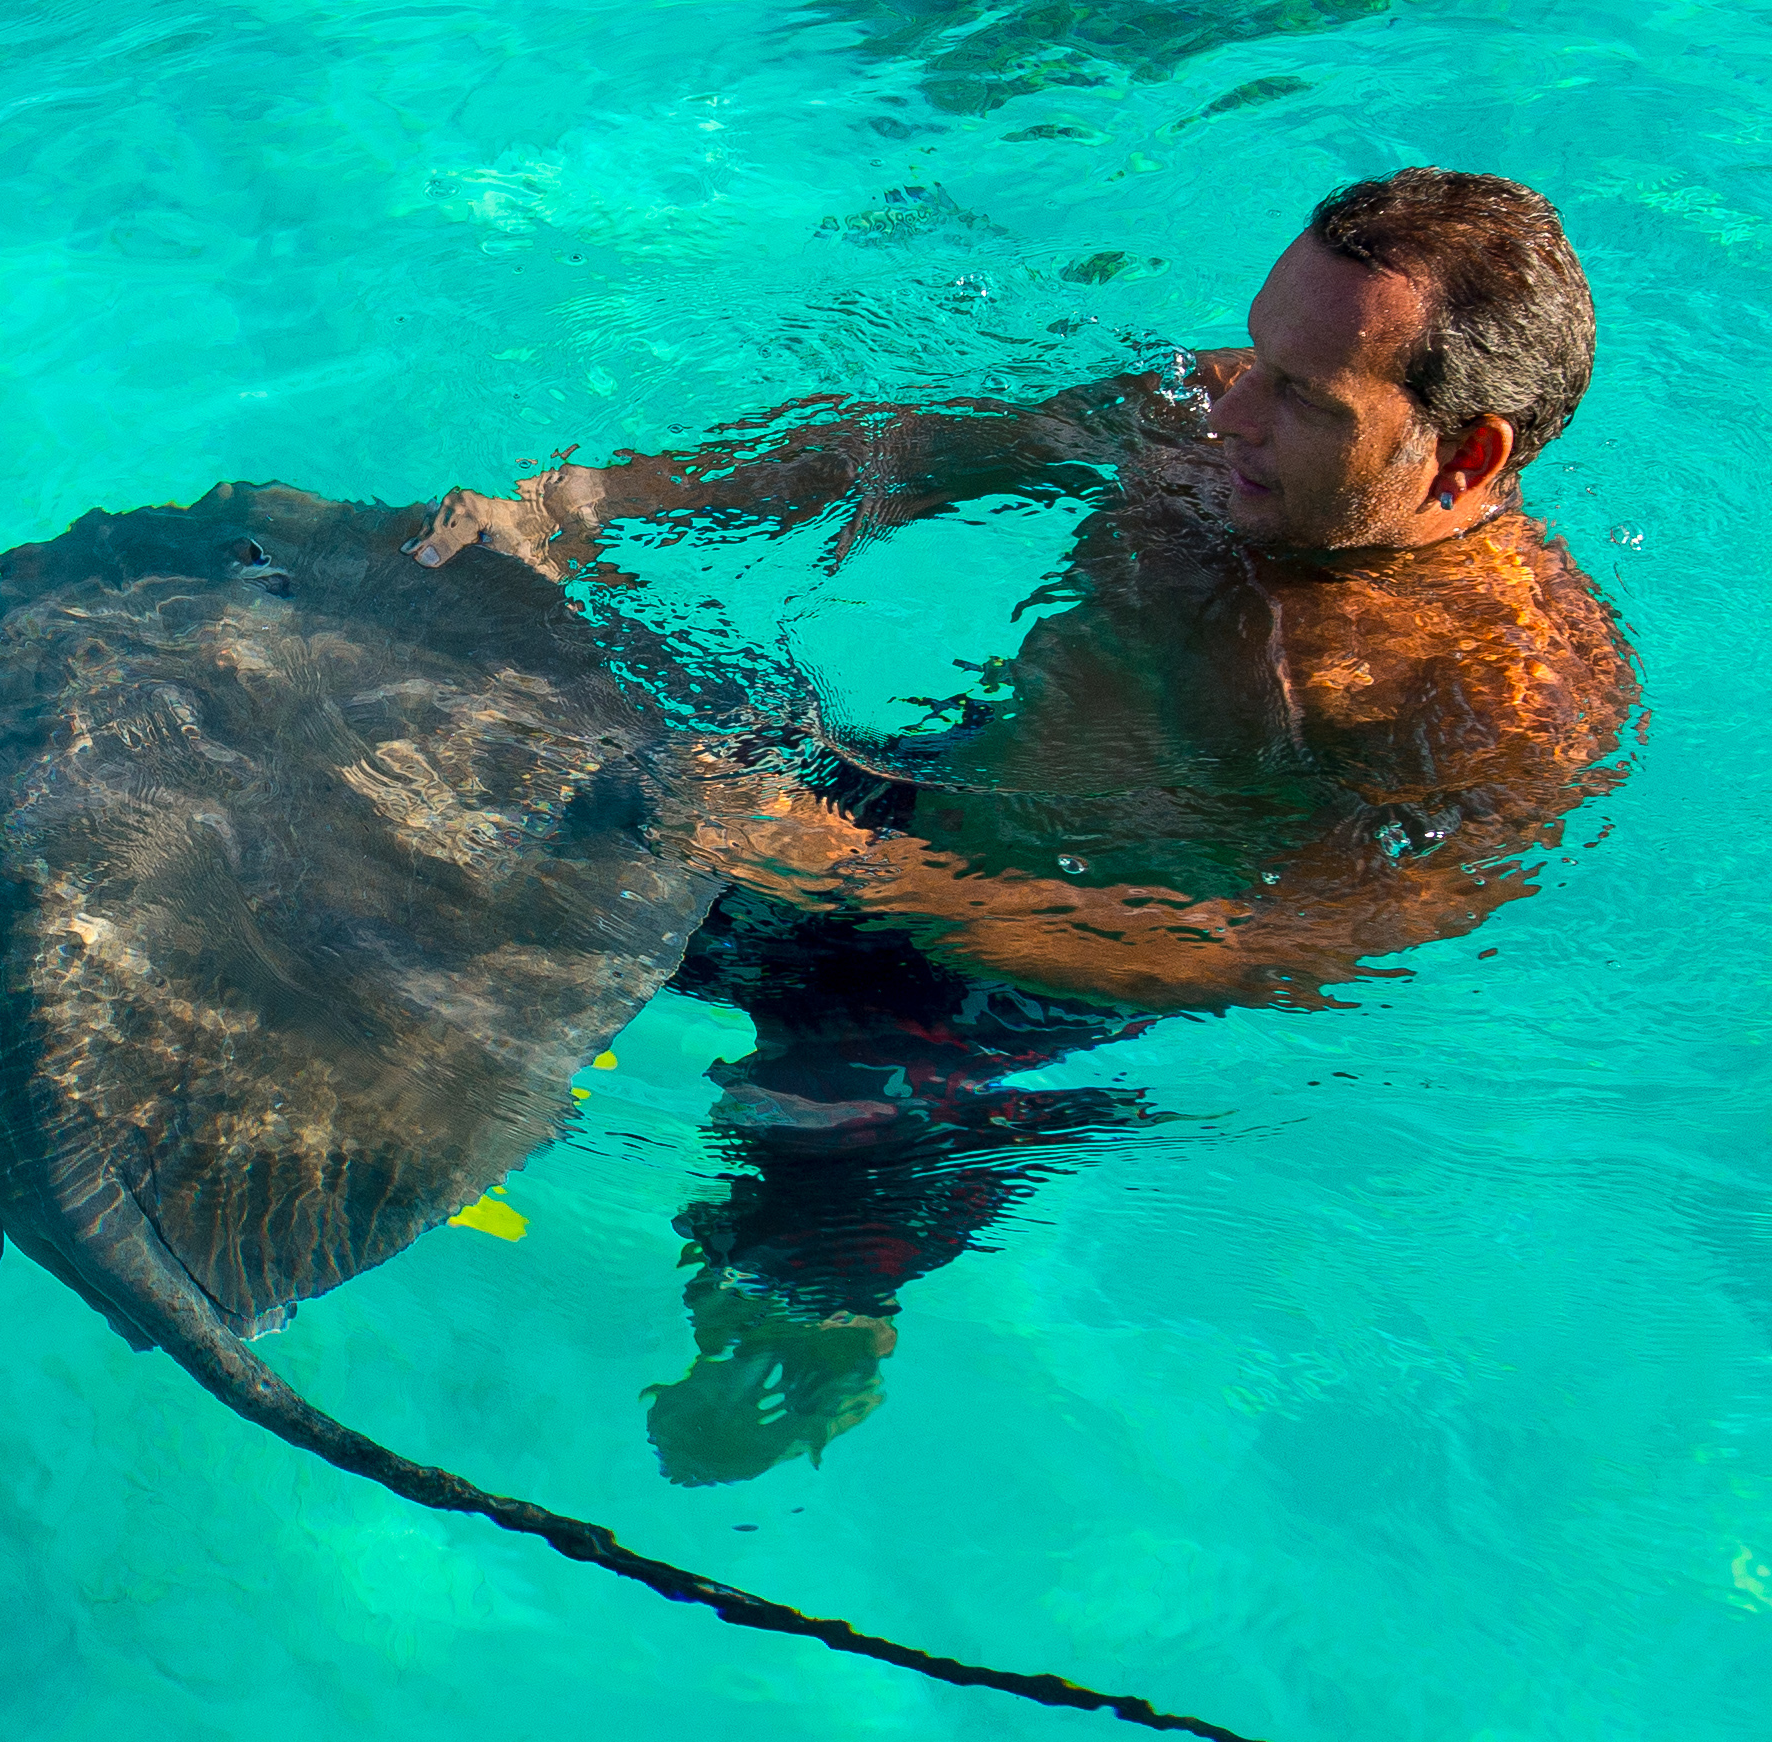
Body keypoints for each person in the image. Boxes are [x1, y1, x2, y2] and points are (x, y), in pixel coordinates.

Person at [414, 167, 1639, 1477]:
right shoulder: (1197, 422)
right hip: (913, 798)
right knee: (469, 815)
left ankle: (831, 1328)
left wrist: (864, 875)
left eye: (1302, 396)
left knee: (764, 1278)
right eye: (1256, 351)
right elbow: (911, 456)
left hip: (1032, 993)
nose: (1225, 403)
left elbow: (1283, 955)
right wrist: (588, 504)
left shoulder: (1507, 699)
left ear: (1469, 456)